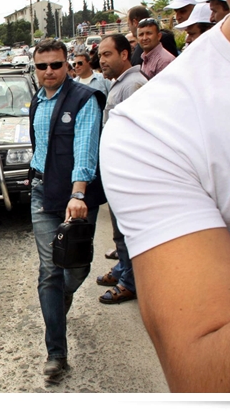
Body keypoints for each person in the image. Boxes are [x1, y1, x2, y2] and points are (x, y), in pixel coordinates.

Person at [100, 0, 230, 392]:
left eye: (190, 23)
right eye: (184, 24)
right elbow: (205, 373)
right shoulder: (153, 125)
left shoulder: (150, 79)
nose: (186, 30)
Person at [28, 38, 105, 381]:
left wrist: (78, 194)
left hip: (76, 197)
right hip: (42, 195)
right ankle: (56, 353)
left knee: (75, 268)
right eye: (42, 66)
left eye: (56, 65)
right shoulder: (36, 102)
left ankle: (63, 298)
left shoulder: (85, 99)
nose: (49, 71)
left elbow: (85, 148)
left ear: (69, 65)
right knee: (50, 271)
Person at [95, 33, 148, 304]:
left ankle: (130, 281)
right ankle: (123, 269)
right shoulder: (119, 84)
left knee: (126, 230)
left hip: (129, 173)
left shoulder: (134, 84)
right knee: (118, 230)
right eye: (101, 55)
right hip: (117, 169)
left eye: (107, 54)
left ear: (125, 54)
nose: (101, 60)